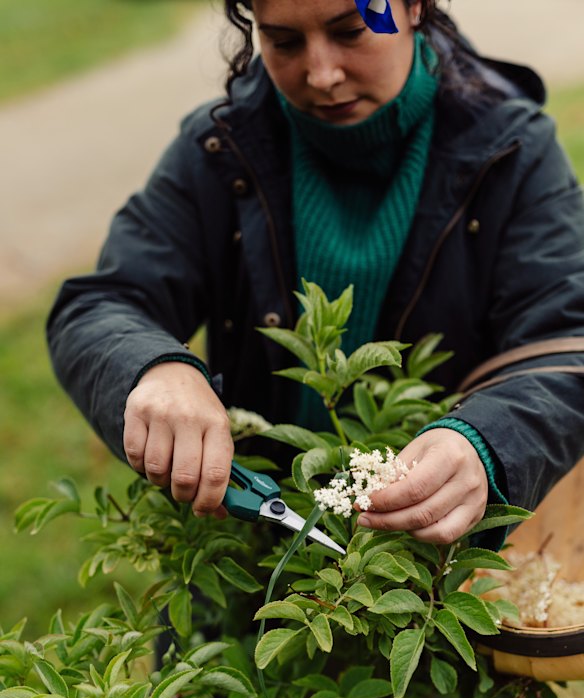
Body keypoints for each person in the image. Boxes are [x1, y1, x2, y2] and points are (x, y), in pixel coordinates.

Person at [47, 0, 584, 547]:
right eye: (283, 42)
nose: (322, 75)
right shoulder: (222, 147)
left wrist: (486, 443)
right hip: (247, 548)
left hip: (427, 570)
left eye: (351, 31)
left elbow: (567, 345)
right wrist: (152, 368)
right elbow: (101, 303)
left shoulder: (513, 153)